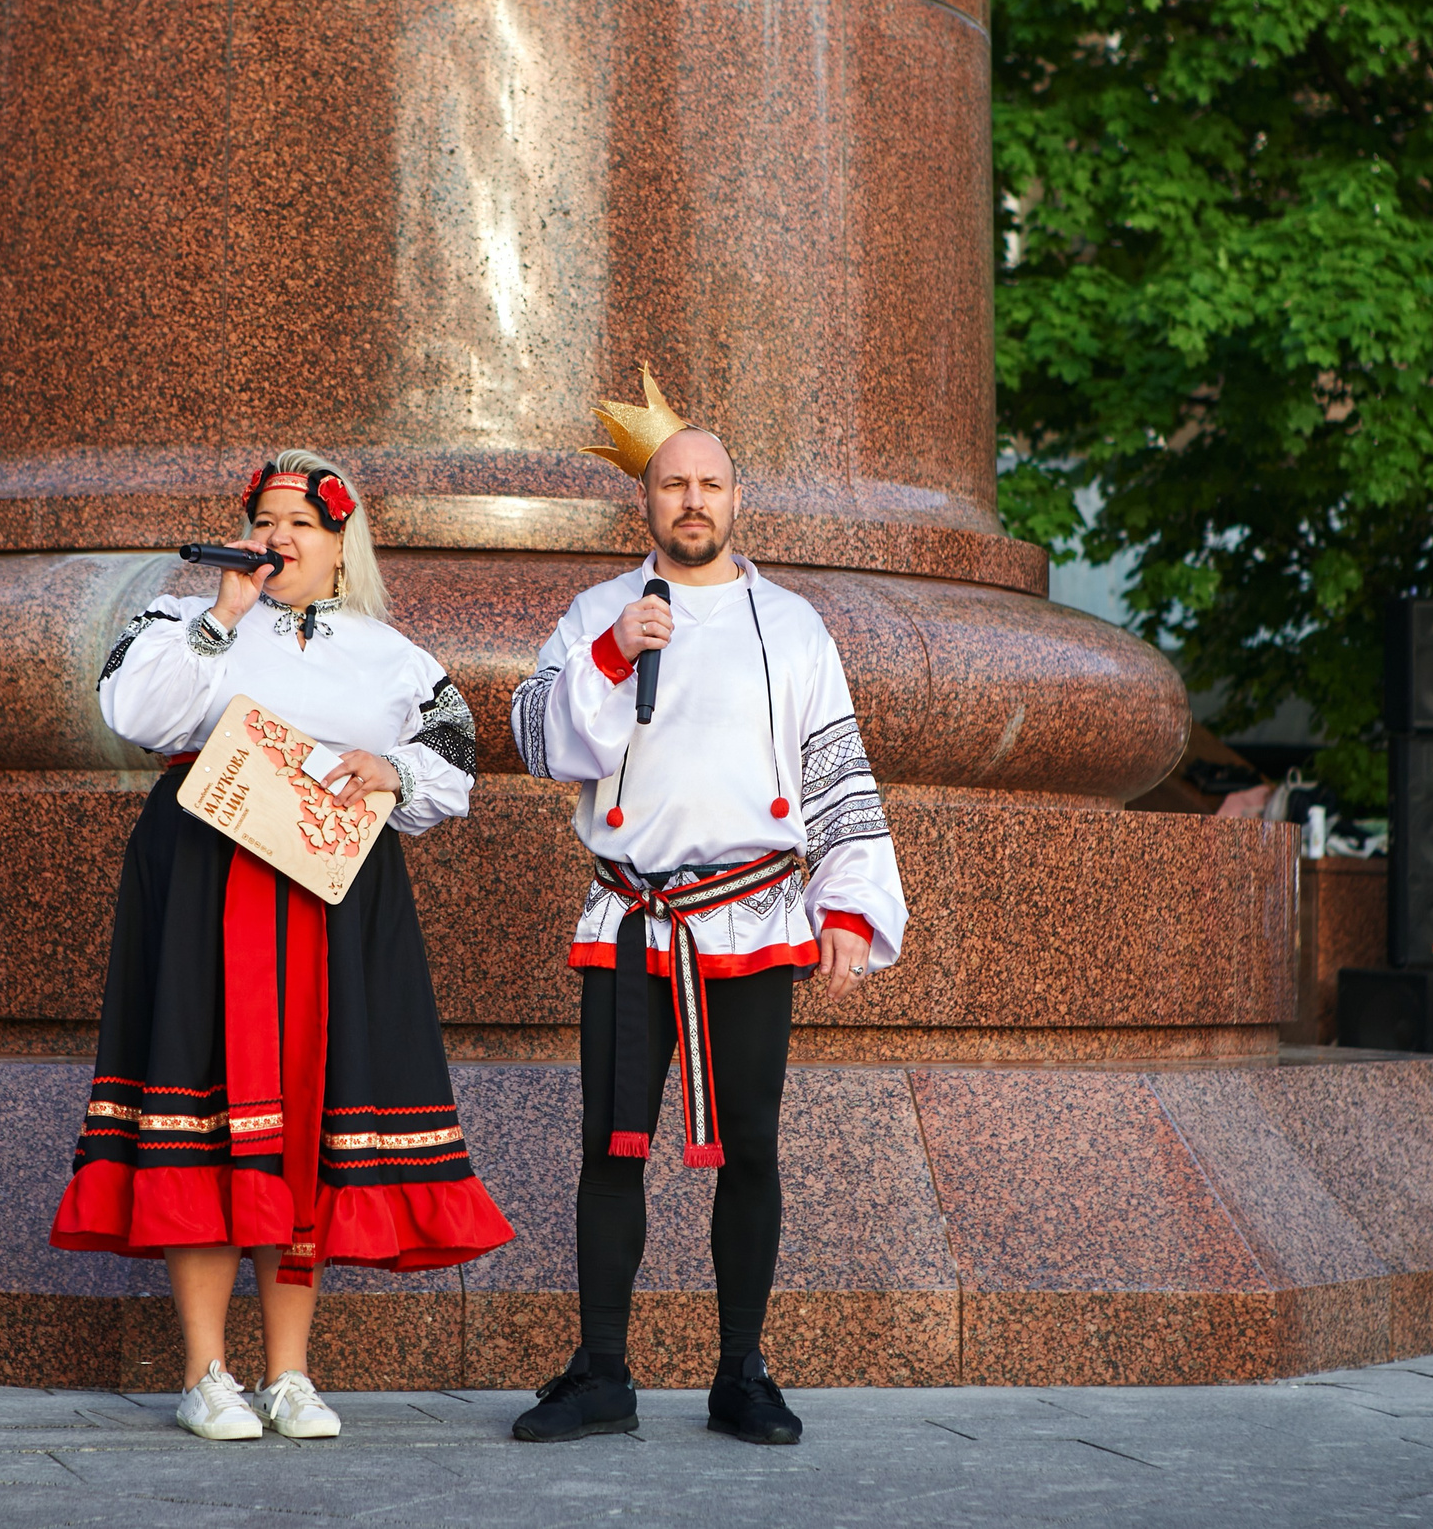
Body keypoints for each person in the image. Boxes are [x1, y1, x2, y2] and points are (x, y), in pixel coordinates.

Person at [49, 449, 515, 1442]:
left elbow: (455, 764)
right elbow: (132, 715)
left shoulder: (391, 654)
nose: (279, 537)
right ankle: (206, 1371)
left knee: (304, 1120)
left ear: (342, 546)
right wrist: (220, 616)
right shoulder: (181, 625)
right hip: (205, 892)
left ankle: (290, 1374)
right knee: (206, 1110)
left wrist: (386, 768)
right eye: (265, 518)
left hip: (331, 897)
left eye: (303, 520)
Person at [506, 368, 907, 1446]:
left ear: (738, 501)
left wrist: (851, 908)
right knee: (611, 1145)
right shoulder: (599, 612)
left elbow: (834, 767)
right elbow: (535, 736)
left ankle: (741, 1372)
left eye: (711, 484)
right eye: (674, 483)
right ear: (644, 501)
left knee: (753, 1150)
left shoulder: (793, 626)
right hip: (633, 920)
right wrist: (609, 654)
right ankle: (601, 1372)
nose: (692, 501)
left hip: (750, 915)